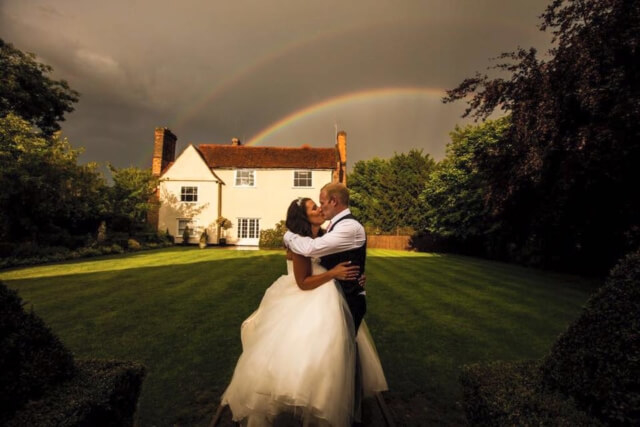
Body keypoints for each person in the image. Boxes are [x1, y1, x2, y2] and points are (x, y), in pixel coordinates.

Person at [221, 197, 387, 426]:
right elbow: (303, 283)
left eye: (319, 205)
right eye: (313, 207)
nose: (320, 209)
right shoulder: (298, 243)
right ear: (303, 217)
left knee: (331, 352)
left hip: (329, 295)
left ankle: (326, 398)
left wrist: (353, 276)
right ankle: (298, 403)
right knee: (302, 350)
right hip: (306, 297)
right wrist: (334, 274)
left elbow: (336, 259)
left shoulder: (323, 237)